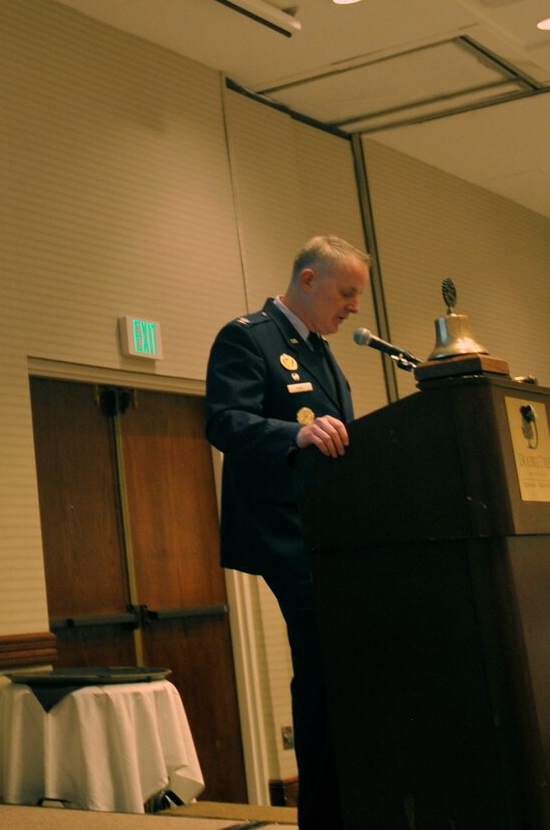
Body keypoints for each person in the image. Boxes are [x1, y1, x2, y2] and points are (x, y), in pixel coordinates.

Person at [205, 235, 366, 830]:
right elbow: (224, 422)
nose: (354, 306)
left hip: (334, 534)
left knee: (341, 669)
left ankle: (351, 804)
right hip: (286, 532)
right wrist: (292, 435)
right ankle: (324, 816)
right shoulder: (248, 337)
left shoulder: (319, 349)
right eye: (346, 292)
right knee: (325, 669)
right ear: (307, 280)